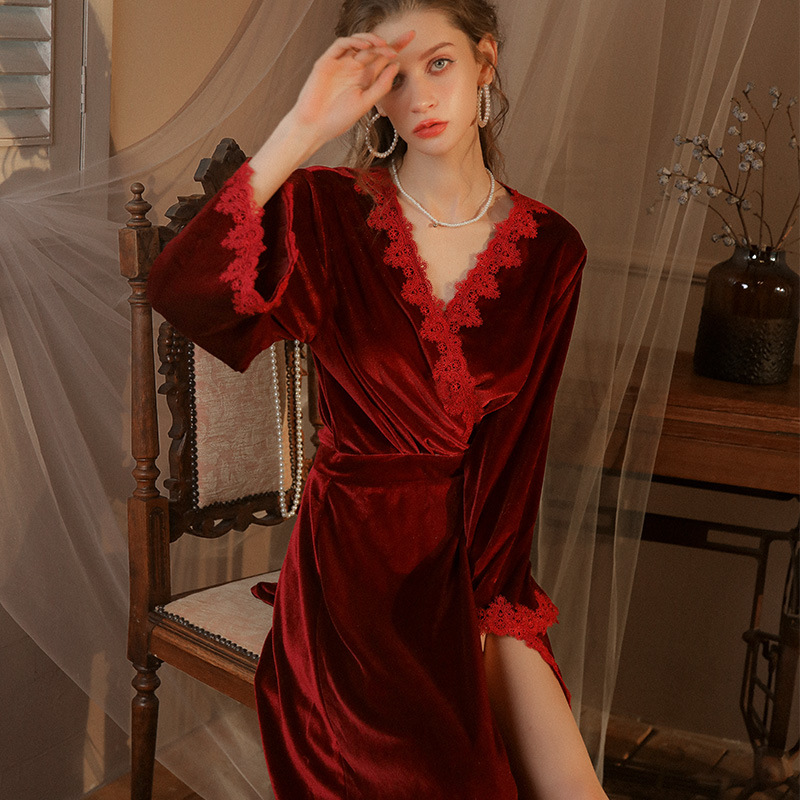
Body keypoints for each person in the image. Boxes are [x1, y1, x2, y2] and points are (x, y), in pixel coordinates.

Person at [148, 1, 607, 798]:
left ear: (485, 61)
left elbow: (515, 458)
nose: (420, 96)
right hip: (350, 569)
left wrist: (482, 616)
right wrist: (303, 126)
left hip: (469, 561)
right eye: (394, 77)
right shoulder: (327, 212)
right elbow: (183, 292)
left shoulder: (552, 251)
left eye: (440, 63)